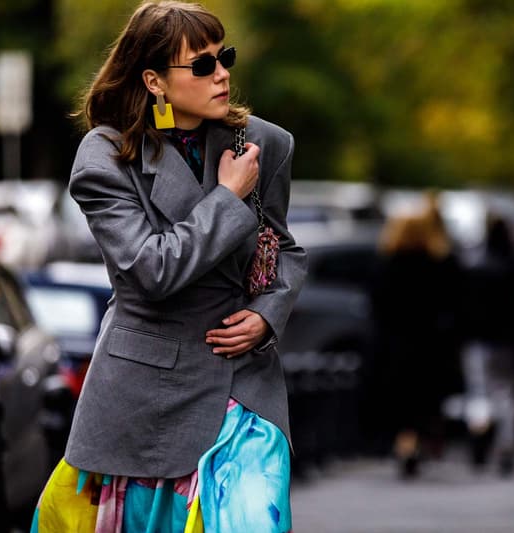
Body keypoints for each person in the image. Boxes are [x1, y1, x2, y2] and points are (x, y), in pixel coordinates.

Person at [30, 2, 306, 532]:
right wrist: (227, 197)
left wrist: (269, 313)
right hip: (147, 395)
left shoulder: (262, 144)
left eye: (222, 57)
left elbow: (283, 249)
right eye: (201, 65)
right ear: (154, 80)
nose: (222, 73)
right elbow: (151, 271)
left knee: (255, 518)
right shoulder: (105, 157)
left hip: (243, 384)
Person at [370, 208, 461, 479]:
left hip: (394, 345)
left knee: (400, 400)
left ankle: (405, 444)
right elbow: (452, 305)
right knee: (424, 399)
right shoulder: (439, 264)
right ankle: (416, 443)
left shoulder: (385, 264)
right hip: (428, 346)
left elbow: (376, 307)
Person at [460, 216, 514, 476]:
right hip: (505, 340)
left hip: (478, 339)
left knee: (479, 391)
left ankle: (479, 433)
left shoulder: (475, 267)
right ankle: (507, 446)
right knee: (506, 393)